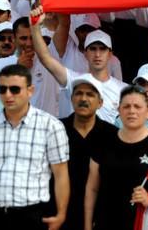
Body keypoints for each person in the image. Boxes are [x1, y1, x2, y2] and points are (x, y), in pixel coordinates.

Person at [0, 64, 70, 230]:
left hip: (33, 215)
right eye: (2, 89)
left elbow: (61, 174)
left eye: (15, 89)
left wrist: (61, 214)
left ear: (30, 91)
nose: (8, 95)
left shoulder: (51, 126)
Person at [84, 85, 148, 230]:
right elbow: (92, 189)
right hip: (105, 223)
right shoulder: (103, 141)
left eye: (137, 106)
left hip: (141, 224)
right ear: (119, 110)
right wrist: (87, 225)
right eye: (126, 106)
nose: (132, 111)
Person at [32, 7, 127, 122]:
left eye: (102, 49)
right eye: (92, 49)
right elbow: (45, 58)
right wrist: (35, 27)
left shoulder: (123, 90)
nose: (97, 54)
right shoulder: (74, 80)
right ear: (85, 53)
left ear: (110, 54)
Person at [60, 75, 117, 230]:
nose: (83, 99)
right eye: (78, 93)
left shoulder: (112, 135)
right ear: (71, 99)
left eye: (90, 94)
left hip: (99, 217)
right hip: (61, 215)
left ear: (100, 103)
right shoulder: (56, 129)